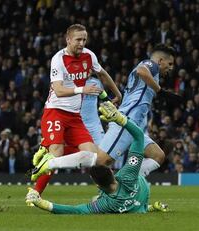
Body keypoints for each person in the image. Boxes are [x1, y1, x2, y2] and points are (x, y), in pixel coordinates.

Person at [31, 44, 176, 181]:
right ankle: (50, 163)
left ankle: (124, 185)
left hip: (134, 126)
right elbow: (141, 71)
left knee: (158, 156)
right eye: (170, 64)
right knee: (100, 161)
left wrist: (118, 96)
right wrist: (160, 91)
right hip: (126, 122)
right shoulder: (152, 65)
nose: (171, 68)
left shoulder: (152, 73)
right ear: (160, 60)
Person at [26, 101, 169, 214]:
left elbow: (76, 210)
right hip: (141, 198)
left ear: (98, 185)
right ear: (112, 172)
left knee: (99, 201)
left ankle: (51, 161)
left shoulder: (105, 204)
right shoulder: (129, 175)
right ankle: (147, 207)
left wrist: (43, 204)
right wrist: (120, 119)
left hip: (133, 205)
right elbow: (138, 136)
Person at [30, 24, 122, 196]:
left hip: (74, 116)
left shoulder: (89, 56)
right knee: (56, 152)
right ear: (68, 40)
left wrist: (117, 93)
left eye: (84, 39)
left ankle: (109, 193)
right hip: (55, 111)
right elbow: (58, 90)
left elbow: (102, 74)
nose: (81, 43)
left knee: (96, 158)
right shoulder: (58, 59)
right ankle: (35, 193)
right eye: (78, 39)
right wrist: (82, 90)